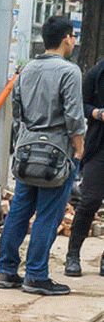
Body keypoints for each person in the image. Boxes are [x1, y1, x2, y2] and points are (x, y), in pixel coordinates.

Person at [0, 16, 85, 296]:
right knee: (49, 213)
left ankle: (7, 271)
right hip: (57, 152)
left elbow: (18, 110)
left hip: (27, 149)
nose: (73, 41)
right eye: (73, 36)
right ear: (66, 39)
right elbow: (73, 115)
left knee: (20, 210)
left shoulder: (27, 69)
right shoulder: (70, 72)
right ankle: (36, 275)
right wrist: (79, 147)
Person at [66, 53, 104, 277]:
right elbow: (82, 103)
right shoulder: (97, 72)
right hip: (99, 146)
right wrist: (96, 113)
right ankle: (73, 254)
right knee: (89, 201)